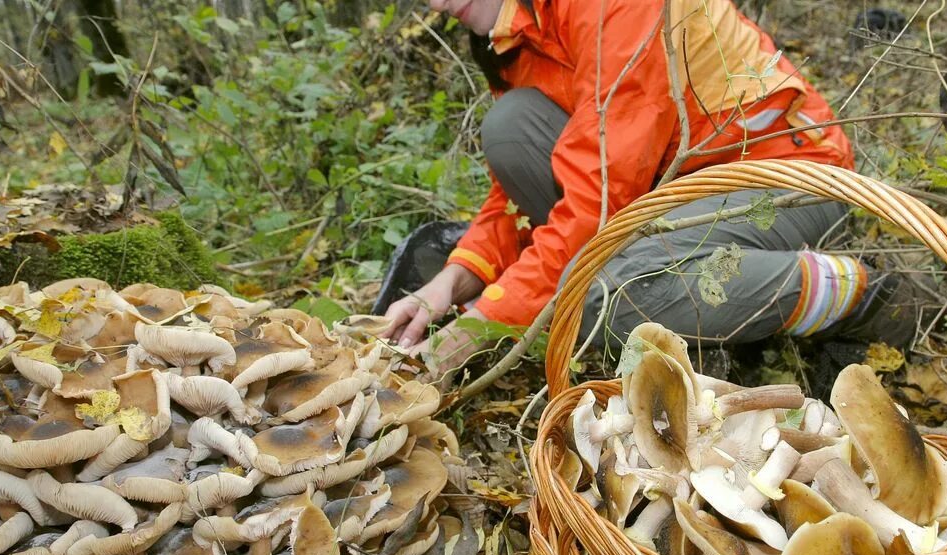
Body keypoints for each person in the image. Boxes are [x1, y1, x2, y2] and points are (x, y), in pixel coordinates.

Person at [381, 0, 915, 374]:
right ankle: (690, 301)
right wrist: (453, 282)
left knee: (605, 294)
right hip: (675, 187)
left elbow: (598, 193)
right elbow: (523, 196)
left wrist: (487, 321)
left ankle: (863, 295)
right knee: (511, 125)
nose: (434, 5)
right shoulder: (519, 31)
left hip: (785, 176)